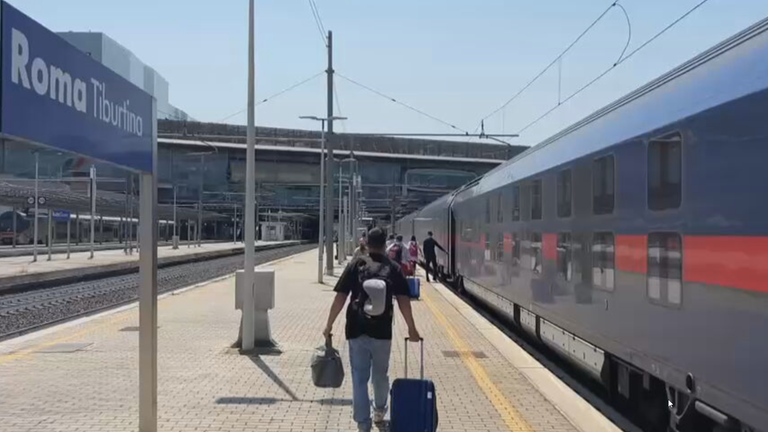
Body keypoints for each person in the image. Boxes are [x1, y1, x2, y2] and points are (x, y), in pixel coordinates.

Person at [323, 228, 421, 432]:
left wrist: (329, 324)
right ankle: (379, 411)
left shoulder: (356, 265)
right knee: (380, 374)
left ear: (366, 243)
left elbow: (340, 297)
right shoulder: (392, 268)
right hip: (382, 331)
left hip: (356, 329)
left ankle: (363, 423)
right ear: (385, 244)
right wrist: (412, 329)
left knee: (359, 377)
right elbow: (404, 301)